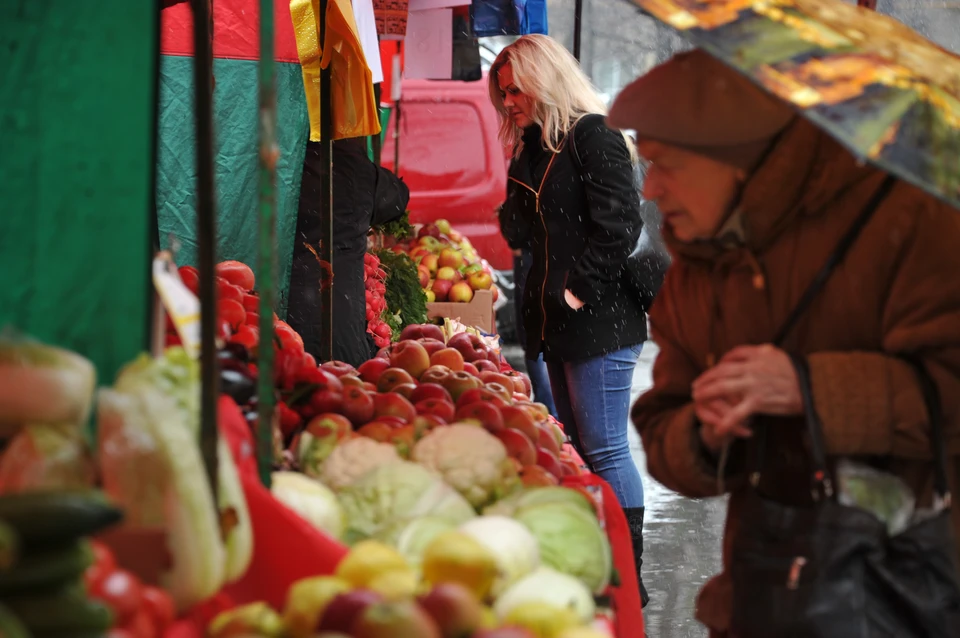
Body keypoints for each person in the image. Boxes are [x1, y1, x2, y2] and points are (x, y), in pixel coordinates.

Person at [614, 50, 960, 637]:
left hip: (909, 590)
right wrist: (703, 433)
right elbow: (664, 420)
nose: (650, 189)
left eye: (666, 163)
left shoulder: (908, 220)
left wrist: (810, 389)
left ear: (739, 159)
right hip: (767, 590)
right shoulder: (697, 261)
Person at [489, 34, 658, 604]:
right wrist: (517, 160)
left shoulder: (594, 134)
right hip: (555, 322)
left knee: (606, 447)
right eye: (503, 93)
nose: (509, 102)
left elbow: (621, 224)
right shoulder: (537, 146)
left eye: (516, 90)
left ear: (546, 78)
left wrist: (577, 295)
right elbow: (516, 234)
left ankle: (630, 578)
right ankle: (602, 563)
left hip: (600, 319)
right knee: (580, 448)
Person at [287, 136, 409, 366]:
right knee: (343, 382)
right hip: (341, 312)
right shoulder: (354, 165)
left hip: (289, 309)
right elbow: (397, 198)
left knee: (294, 379)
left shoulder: (286, 163)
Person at [512, 248, 557, 418]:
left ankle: (549, 412)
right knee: (540, 338)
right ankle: (551, 412)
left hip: (533, 254)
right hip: (546, 254)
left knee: (535, 339)